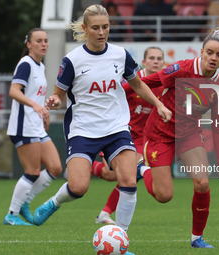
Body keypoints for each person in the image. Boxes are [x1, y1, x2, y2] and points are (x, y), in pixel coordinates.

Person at [32, 5, 171, 255]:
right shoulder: (72, 60)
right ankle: (54, 202)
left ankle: (121, 240)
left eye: (105, 27)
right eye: (95, 28)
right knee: (79, 188)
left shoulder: (121, 54)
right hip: (83, 129)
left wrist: (158, 103)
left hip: (117, 127)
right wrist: (53, 101)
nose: (101, 32)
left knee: (128, 180)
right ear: (85, 29)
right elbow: (59, 94)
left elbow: (138, 85)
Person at [132, 27, 219, 248]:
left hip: (189, 135)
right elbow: (151, 81)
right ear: (201, 52)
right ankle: (142, 168)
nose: (213, 57)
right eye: (209, 52)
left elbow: (218, 126)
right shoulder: (182, 68)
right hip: (160, 133)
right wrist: (117, 89)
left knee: (201, 183)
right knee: (164, 196)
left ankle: (196, 238)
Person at [92, 46, 165, 224]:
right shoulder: (136, 82)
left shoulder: (163, 86)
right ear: (144, 62)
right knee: (112, 175)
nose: (156, 61)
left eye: (159, 59)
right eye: (152, 58)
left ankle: (105, 213)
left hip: (142, 139)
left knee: (129, 176)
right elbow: (114, 96)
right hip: (120, 132)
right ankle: (86, 165)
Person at [4, 28, 63, 226]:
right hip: (23, 126)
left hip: (36, 125)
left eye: (46, 40)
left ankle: (24, 203)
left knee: (55, 167)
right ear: (28, 44)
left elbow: (35, 96)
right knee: (33, 171)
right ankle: (11, 215)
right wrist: (35, 106)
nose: (44, 44)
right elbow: (14, 91)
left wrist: (44, 111)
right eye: (39, 41)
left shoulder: (40, 66)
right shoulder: (26, 64)